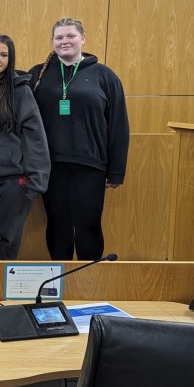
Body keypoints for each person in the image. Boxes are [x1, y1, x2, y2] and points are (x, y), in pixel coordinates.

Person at [30, 18, 129, 260]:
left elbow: (118, 125)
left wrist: (116, 171)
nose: (65, 41)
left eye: (70, 36)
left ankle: (90, 286)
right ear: (52, 42)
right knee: (57, 226)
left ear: (83, 38)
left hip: (91, 166)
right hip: (51, 166)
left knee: (89, 226)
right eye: (59, 37)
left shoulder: (104, 76)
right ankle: (61, 283)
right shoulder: (37, 75)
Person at [0, 35, 50, 260]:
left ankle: (2, 291)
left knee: (11, 239)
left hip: (16, 180)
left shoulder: (22, 92)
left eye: (3, 55)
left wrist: (38, 177)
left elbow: (35, 137)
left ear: (10, 59)